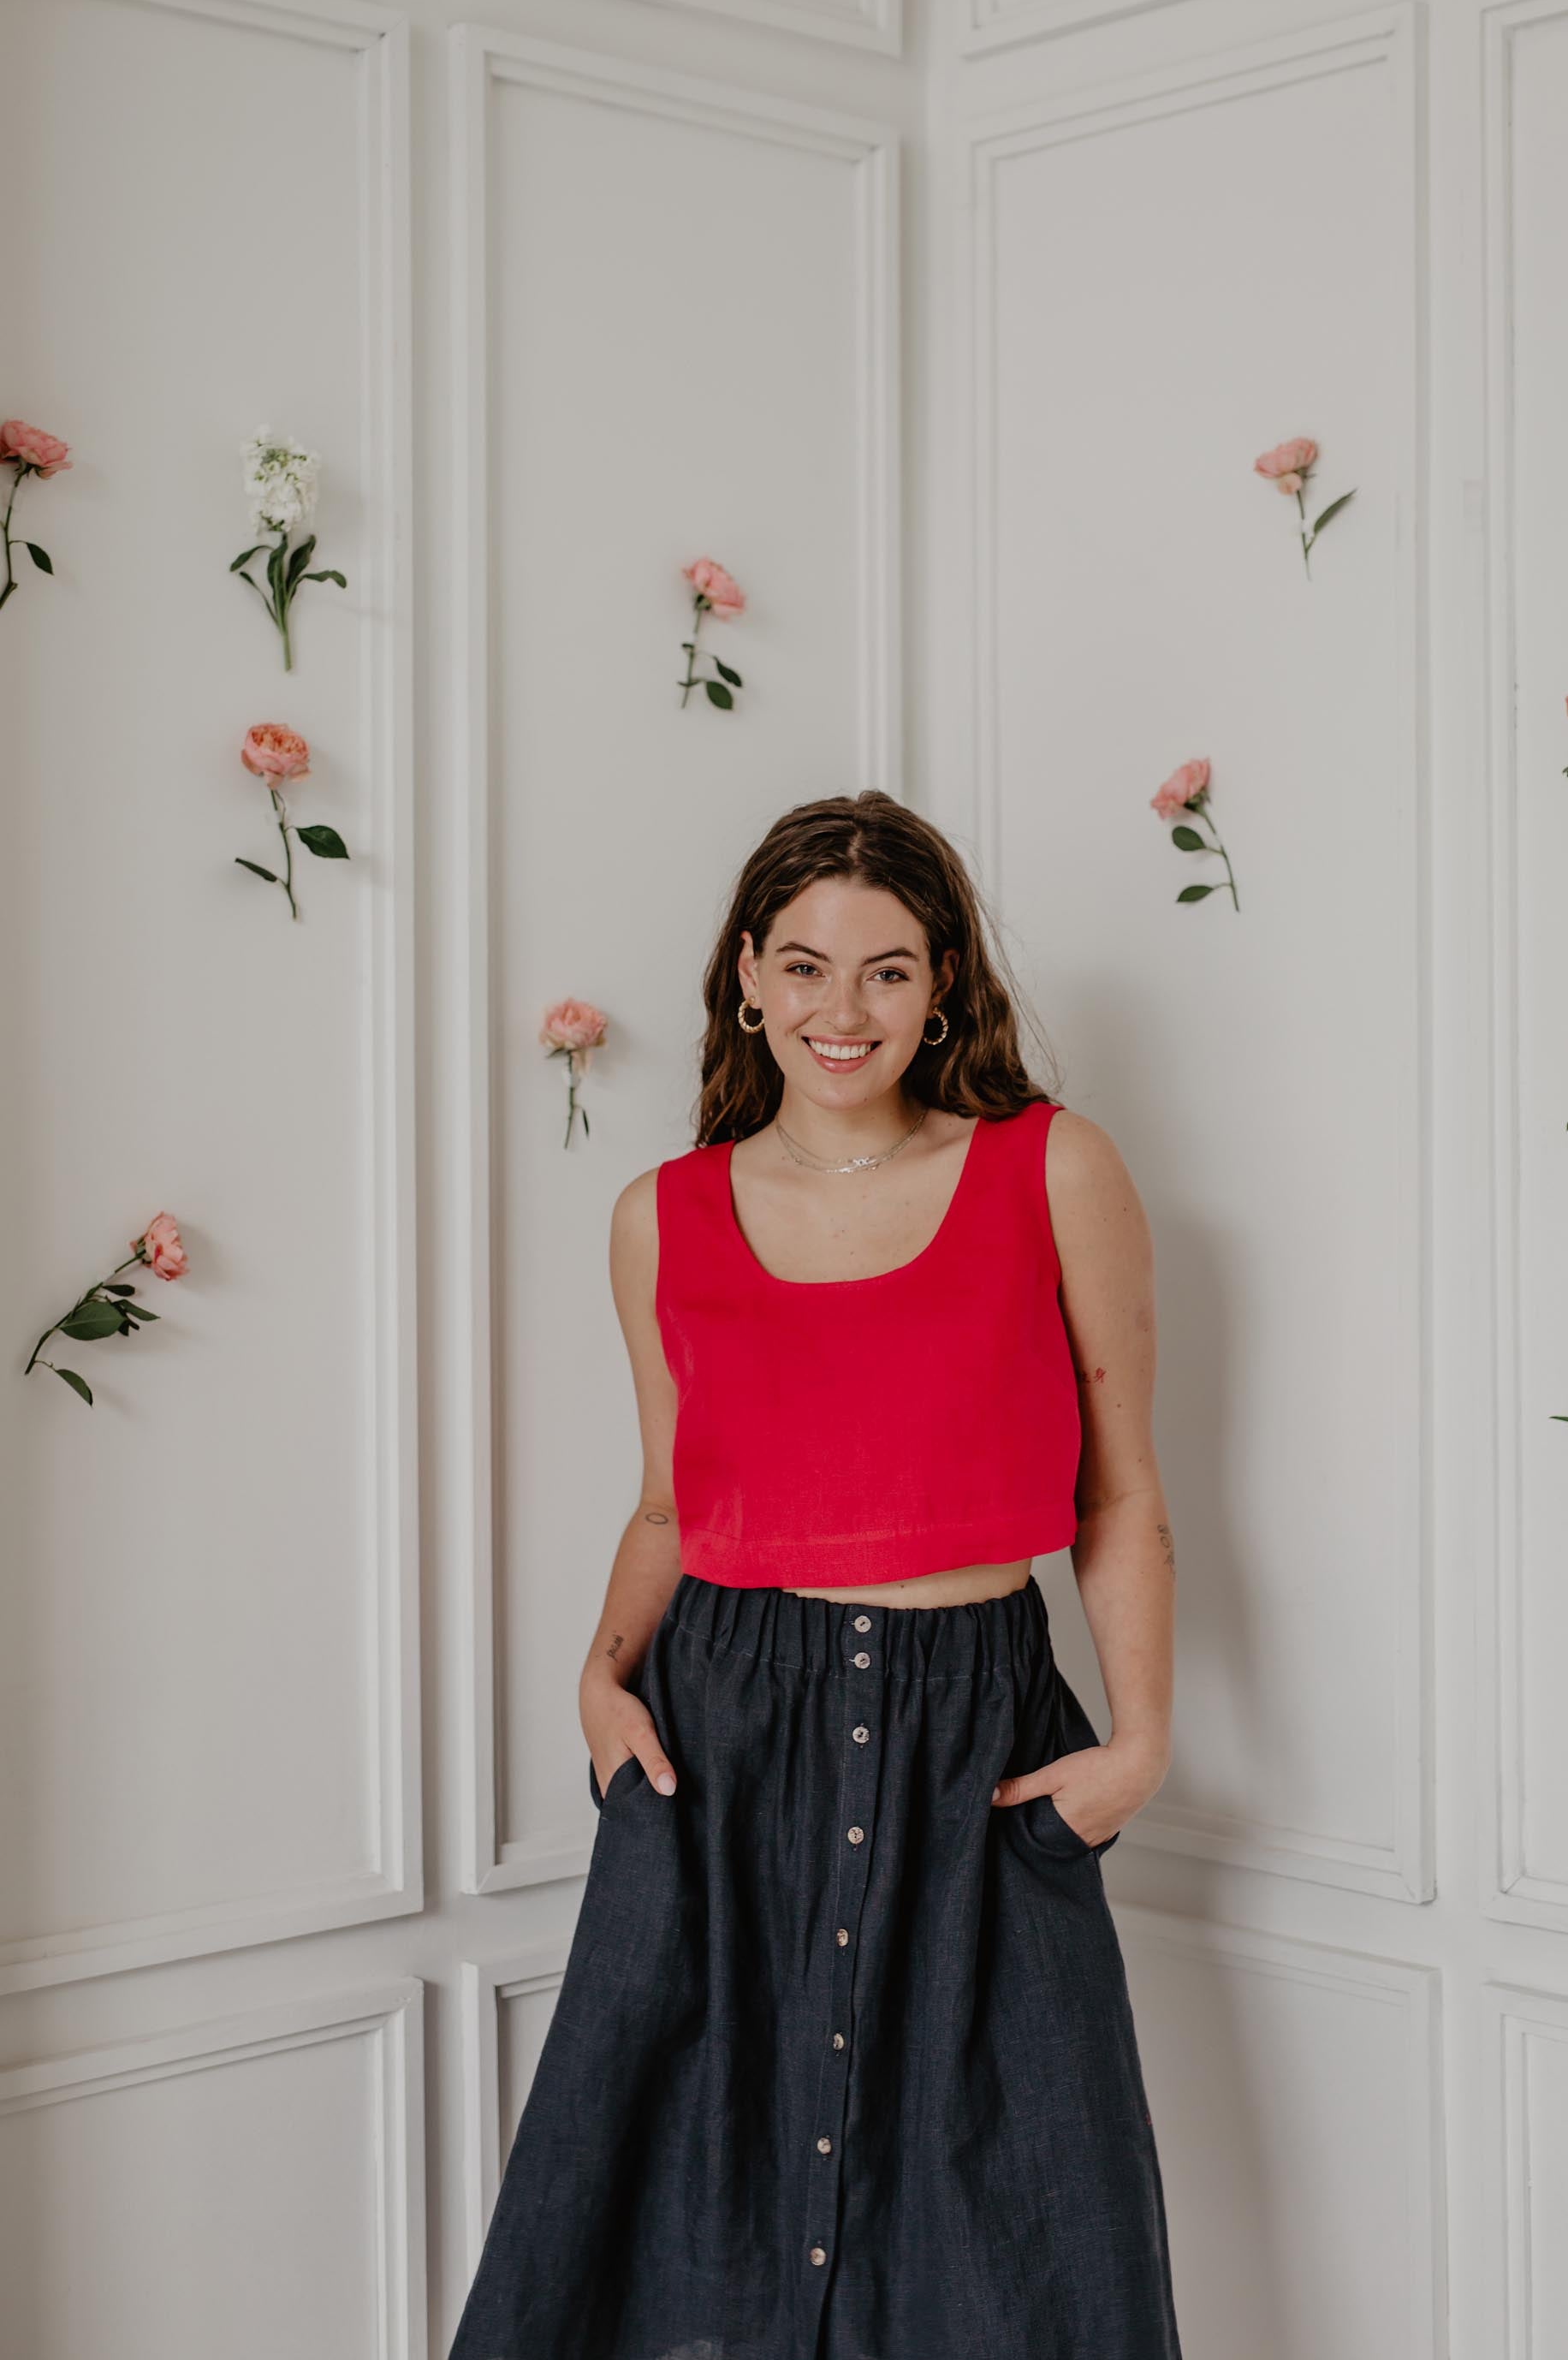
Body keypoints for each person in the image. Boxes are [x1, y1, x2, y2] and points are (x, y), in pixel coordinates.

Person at [448, 788, 1184, 2360]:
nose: (839, 1012)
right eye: (802, 967)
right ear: (744, 975)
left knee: (1028, 2241)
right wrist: (596, 1678)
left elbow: (1121, 1489)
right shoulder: (664, 1216)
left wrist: (1136, 1747)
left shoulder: (1052, 1173)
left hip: (980, 1738)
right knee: (673, 2222)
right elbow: (669, 1501)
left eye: (887, 971)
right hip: (722, 1735)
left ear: (943, 986)